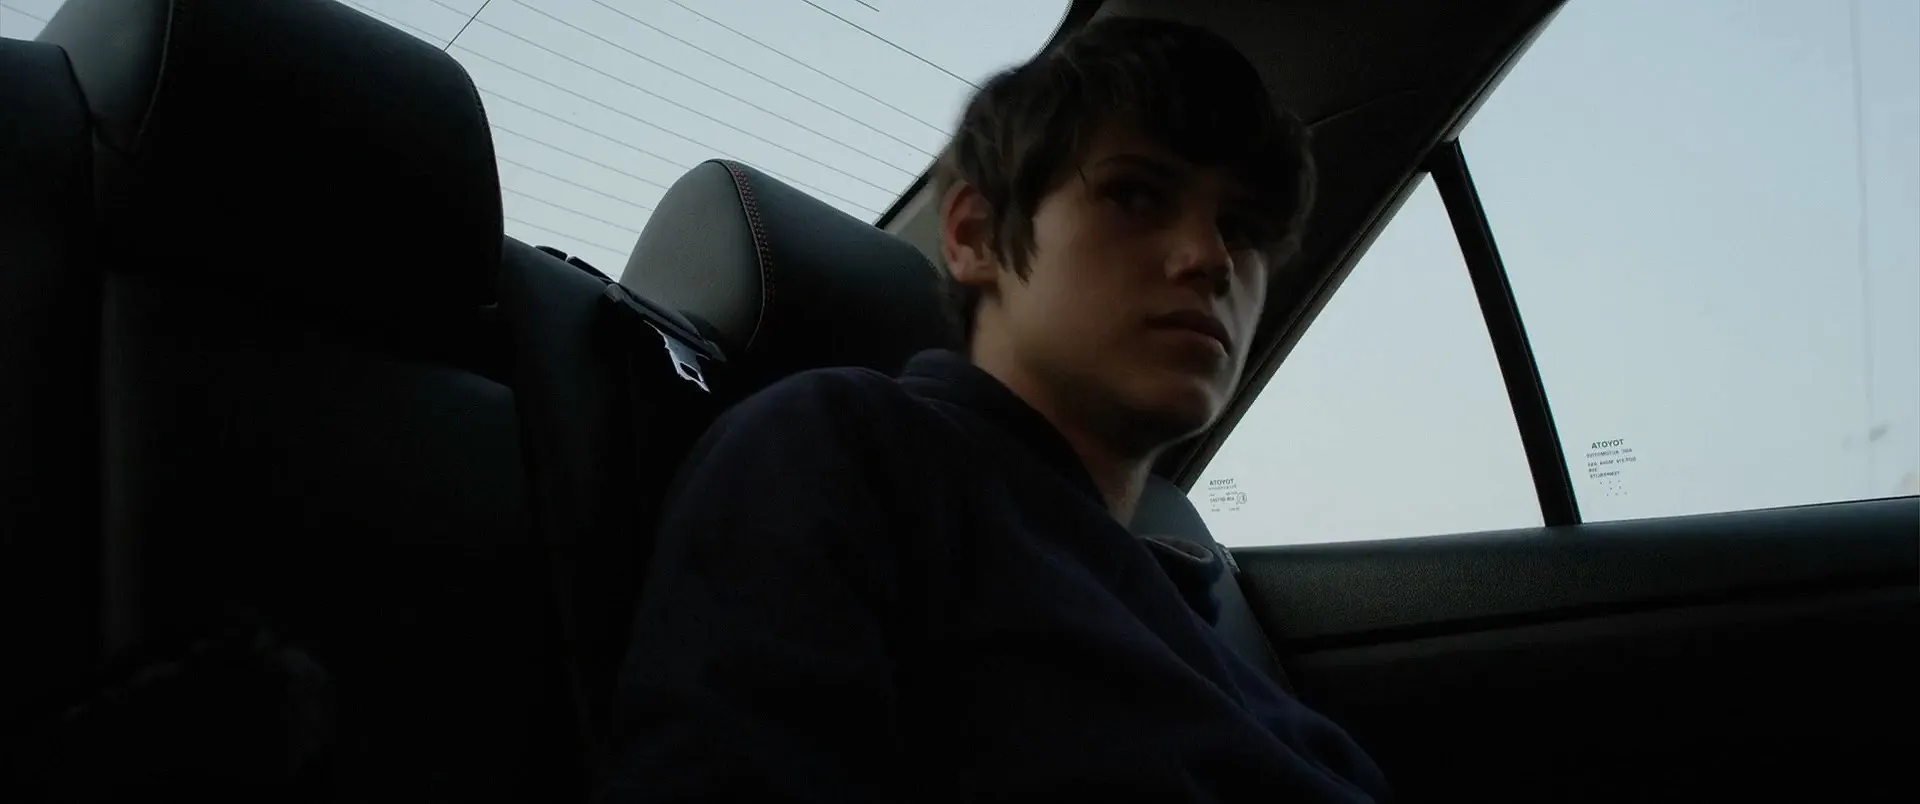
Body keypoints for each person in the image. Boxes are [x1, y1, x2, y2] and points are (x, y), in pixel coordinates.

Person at [603, 16, 1389, 803]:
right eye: (1136, 194)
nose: (1214, 259)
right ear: (975, 234)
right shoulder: (840, 455)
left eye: (1242, 229)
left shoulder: (1211, 637)